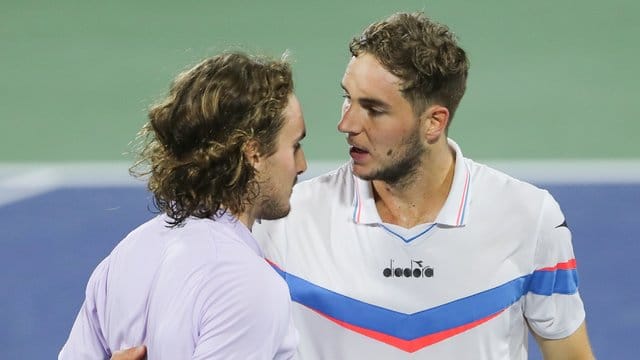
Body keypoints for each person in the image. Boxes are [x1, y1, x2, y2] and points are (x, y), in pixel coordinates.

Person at [113, 11, 595, 360]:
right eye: (348, 99)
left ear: (433, 122)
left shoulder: (529, 218)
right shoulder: (283, 220)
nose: (346, 123)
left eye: (374, 108)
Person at [59, 51, 307, 359]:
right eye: (295, 146)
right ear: (253, 154)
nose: (302, 164)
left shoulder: (124, 256)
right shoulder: (247, 285)